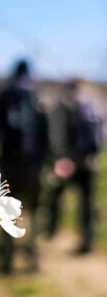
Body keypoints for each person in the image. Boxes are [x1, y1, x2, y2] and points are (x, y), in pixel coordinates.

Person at [0, 59, 49, 272]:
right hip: (34, 166)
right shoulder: (37, 97)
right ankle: (34, 257)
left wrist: (4, 139)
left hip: (8, 164)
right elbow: (48, 135)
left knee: (5, 210)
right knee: (36, 210)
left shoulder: (3, 96)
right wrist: (49, 160)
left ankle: (8, 258)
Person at [47, 79, 104, 254]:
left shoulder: (65, 106)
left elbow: (56, 135)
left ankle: (51, 231)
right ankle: (88, 240)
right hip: (90, 164)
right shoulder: (95, 107)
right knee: (87, 204)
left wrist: (60, 157)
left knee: (55, 196)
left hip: (68, 164)